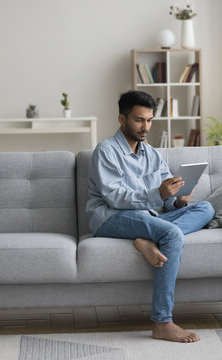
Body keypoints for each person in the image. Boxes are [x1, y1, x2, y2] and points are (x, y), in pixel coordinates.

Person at [86, 90, 214, 343]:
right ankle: (162, 322)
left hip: (146, 217)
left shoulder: (152, 154)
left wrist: (176, 199)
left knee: (206, 209)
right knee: (172, 234)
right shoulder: (106, 151)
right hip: (110, 217)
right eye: (139, 120)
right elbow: (115, 197)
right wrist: (158, 193)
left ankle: (144, 238)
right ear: (122, 119)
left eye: (150, 120)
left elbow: (164, 200)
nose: (146, 127)